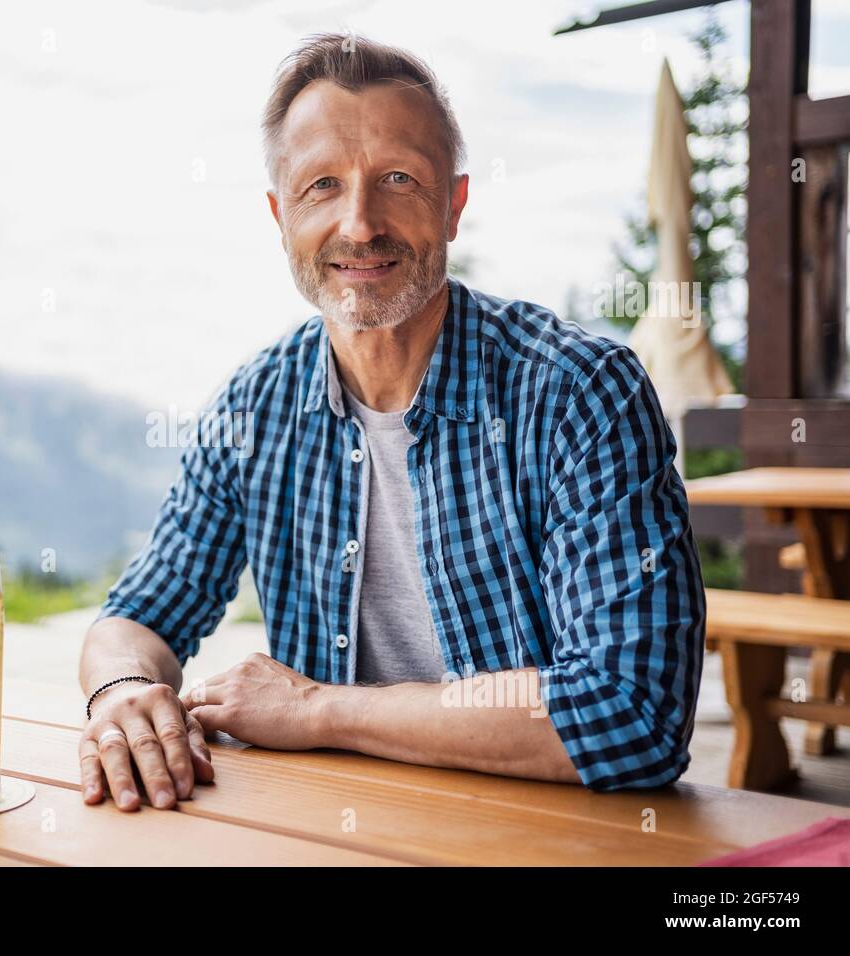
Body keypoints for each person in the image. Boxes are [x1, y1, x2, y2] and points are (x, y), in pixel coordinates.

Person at [78, 32, 705, 812]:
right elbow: (137, 616)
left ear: (454, 205)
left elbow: (632, 715)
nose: (360, 223)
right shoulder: (254, 406)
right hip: (332, 833)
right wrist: (123, 690)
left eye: (398, 179)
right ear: (280, 216)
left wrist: (315, 709)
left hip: (546, 835)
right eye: (322, 186)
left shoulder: (581, 393)